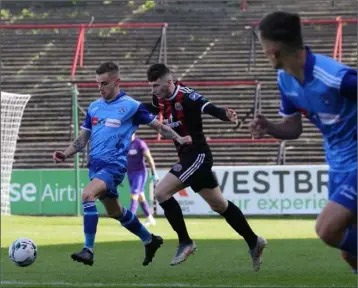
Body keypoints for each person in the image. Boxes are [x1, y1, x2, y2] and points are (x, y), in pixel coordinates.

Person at [53, 62, 191, 267]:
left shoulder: (132, 106)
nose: (101, 88)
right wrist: (65, 154)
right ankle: (149, 239)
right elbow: (83, 138)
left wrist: (179, 139)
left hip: (114, 167)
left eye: (105, 83)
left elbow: (159, 126)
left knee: (87, 195)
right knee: (115, 212)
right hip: (95, 167)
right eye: (98, 83)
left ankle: (88, 250)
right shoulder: (94, 107)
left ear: (117, 82)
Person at [249, 11, 357, 272]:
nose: (262, 52)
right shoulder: (285, 80)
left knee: (327, 229)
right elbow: (293, 128)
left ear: (273, 50)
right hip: (339, 167)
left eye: (262, 45)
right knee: (349, 253)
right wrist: (270, 127)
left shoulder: (333, 77)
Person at [145, 63, 267, 271]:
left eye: (156, 86)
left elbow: (206, 106)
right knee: (219, 205)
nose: (153, 90)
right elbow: (154, 108)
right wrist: (131, 109)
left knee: (161, 192)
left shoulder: (187, 95)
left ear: (169, 82)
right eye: (151, 86)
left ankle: (185, 242)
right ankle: (254, 241)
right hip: (187, 156)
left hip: (198, 155)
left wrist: (224, 114)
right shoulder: (160, 98)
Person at [127, 132, 158, 226]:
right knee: (140, 196)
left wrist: (153, 172)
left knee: (134, 195)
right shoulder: (125, 144)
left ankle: (130, 219)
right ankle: (150, 218)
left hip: (140, 173)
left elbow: (149, 157)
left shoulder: (139, 143)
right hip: (130, 173)